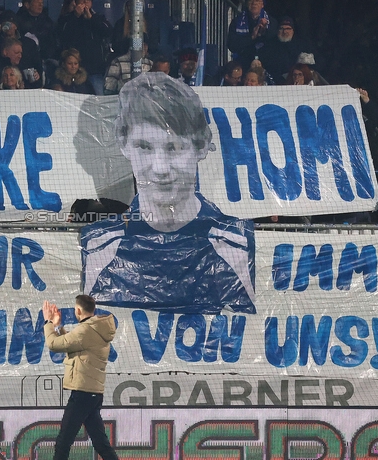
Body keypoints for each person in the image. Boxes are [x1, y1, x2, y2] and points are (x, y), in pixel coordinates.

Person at [81, 73, 256, 314]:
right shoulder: (97, 245)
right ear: (123, 145)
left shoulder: (237, 242)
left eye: (174, 148)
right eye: (144, 147)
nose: (160, 168)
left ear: (201, 146)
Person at [20, 295, 136, 460]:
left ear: (79, 311)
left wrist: (48, 322)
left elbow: (55, 345)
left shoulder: (86, 330)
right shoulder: (95, 328)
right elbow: (74, 345)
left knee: (63, 442)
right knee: (100, 443)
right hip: (91, 392)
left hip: (82, 393)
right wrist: (60, 326)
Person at [58, 0, 110, 95]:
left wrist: (91, 19)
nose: (85, 2)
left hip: (95, 69)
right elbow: (62, 34)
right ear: (76, 2)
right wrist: (76, 16)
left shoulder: (98, 17)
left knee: (98, 98)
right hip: (74, 71)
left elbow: (108, 32)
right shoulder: (67, 18)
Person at [227, 0, 273, 69]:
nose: (254, 3)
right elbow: (232, 45)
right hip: (243, 65)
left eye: (257, 1)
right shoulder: (236, 22)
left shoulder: (271, 21)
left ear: (262, 4)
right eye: (251, 0)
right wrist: (251, 37)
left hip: (267, 65)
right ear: (247, 3)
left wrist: (264, 32)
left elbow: (274, 42)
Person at [257, 17, 315, 81]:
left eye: (288, 28)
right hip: (273, 81)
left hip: (295, 80)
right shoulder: (269, 44)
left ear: (293, 30)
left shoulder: (302, 45)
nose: (285, 32)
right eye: (281, 28)